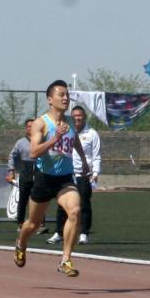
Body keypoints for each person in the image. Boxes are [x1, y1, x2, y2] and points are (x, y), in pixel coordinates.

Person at [14, 80, 90, 277]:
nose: (66, 98)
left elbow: (74, 140)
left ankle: (65, 260)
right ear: (50, 99)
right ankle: (21, 242)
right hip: (44, 179)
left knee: (75, 211)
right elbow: (33, 152)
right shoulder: (40, 123)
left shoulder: (70, 122)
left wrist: (83, 160)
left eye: (67, 95)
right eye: (61, 95)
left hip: (65, 179)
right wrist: (55, 138)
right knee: (33, 224)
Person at [48, 105, 101, 245]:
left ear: (84, 117)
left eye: (80, 115)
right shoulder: (65, 131)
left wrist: (95, 173)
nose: (77, 118)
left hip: (83, 175)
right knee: (62, 204)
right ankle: (59, 233)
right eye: (74, 116)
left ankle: (83, 234)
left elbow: (96, 155)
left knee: (84, 204)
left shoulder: (92, 134)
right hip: (66, 173)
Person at [6, 117, 49, 232]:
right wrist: (11, 171)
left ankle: (40, 225)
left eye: (33, 126)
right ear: (26, 128)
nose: (31, 128)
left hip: (40, 172)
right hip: (25, 172)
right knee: (23, 199)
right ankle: (20, 224)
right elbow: (12, 156)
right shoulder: (20, 142)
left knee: (40, 199)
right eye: (29, 126)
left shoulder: (43, 140)